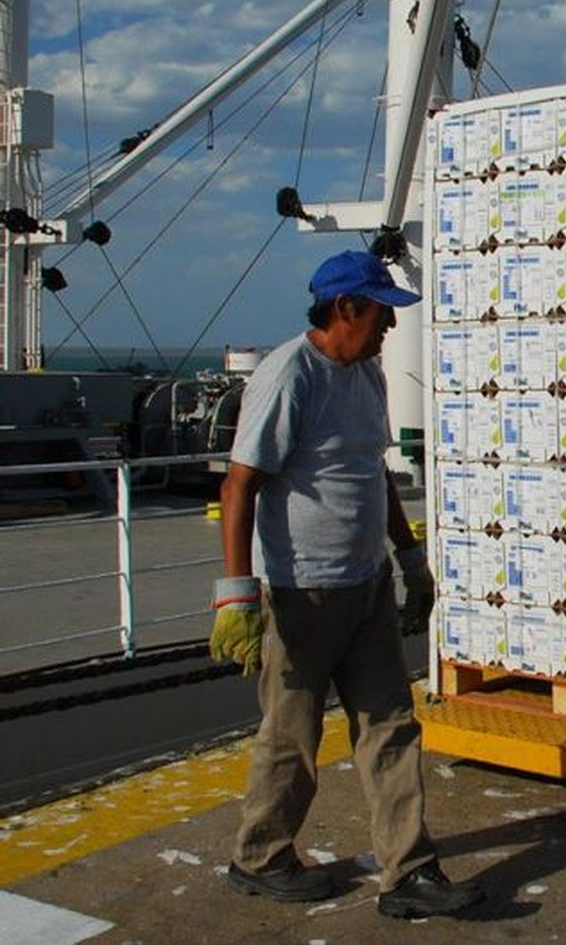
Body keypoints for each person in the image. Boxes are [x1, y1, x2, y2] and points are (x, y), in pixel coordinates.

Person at [210, 250, 483, 919]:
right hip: (301, 592)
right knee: (290, 738)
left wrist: (409, 557)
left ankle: (410, 874)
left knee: (391, 727)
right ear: (345, 309)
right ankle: (260, 857)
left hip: (366, 586)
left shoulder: (367, 377)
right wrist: (237, 594)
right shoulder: (288, 376)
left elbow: (372, 470)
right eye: (382, 313)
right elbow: (239, 484)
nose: (390, 327)